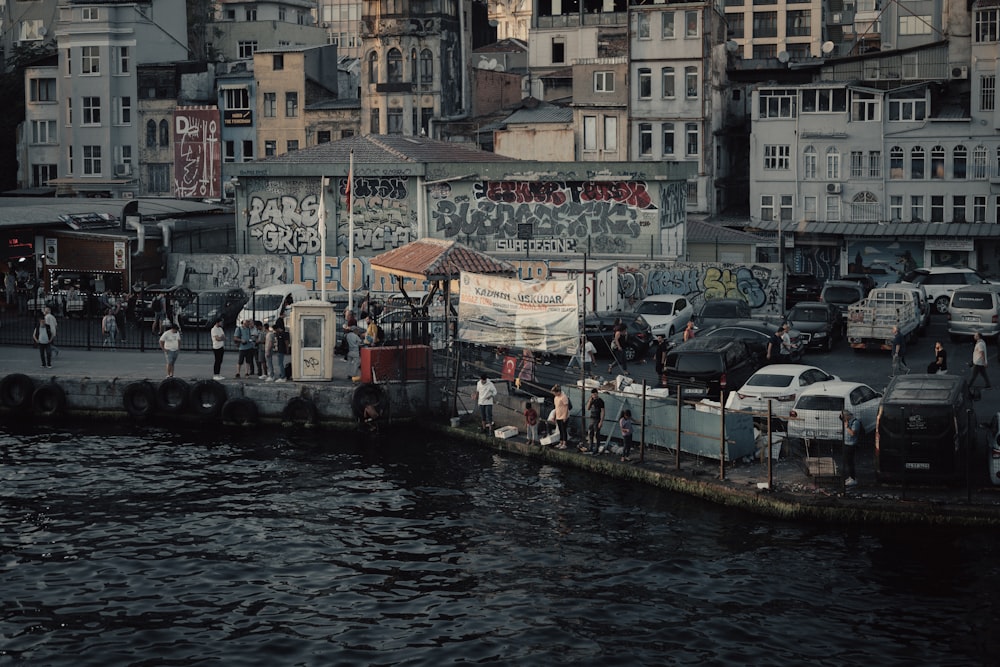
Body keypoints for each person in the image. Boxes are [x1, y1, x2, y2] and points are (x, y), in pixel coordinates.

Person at [842, 410, 861, 487]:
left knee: (850, 462)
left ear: (848, 415)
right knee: (847, 461)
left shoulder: (855, 422)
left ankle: (853, 478)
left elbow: (853, 433)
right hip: (846, 443)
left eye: (844, 417)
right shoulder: (848, 421)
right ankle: (851, 477)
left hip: (851, 445)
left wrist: (847, 427)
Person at [583, 388, 605, 454]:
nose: (594, 396)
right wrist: (590, 400)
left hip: (597, 419)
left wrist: (601, 421)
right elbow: (588, 408)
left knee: (597, 434)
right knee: (590, 433)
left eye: (595, 394)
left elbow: (603, 411)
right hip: (591, 418)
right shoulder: (592, 400)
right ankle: (590, 447)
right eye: (592, 394)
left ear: (597, 393)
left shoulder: (600, 401)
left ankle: (596, 448)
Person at [552, 384, 570, 449]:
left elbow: (566, 407)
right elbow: (556, 407)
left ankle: (564, 443)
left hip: (563, 416)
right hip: (558, 415)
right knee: (560, 429)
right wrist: (554, 416)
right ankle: (561, 442)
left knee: (563, 429)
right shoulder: (555, 398)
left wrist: (565, 416)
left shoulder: (563, 397)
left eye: (555, 393)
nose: (554, 394)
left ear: (558, 392)